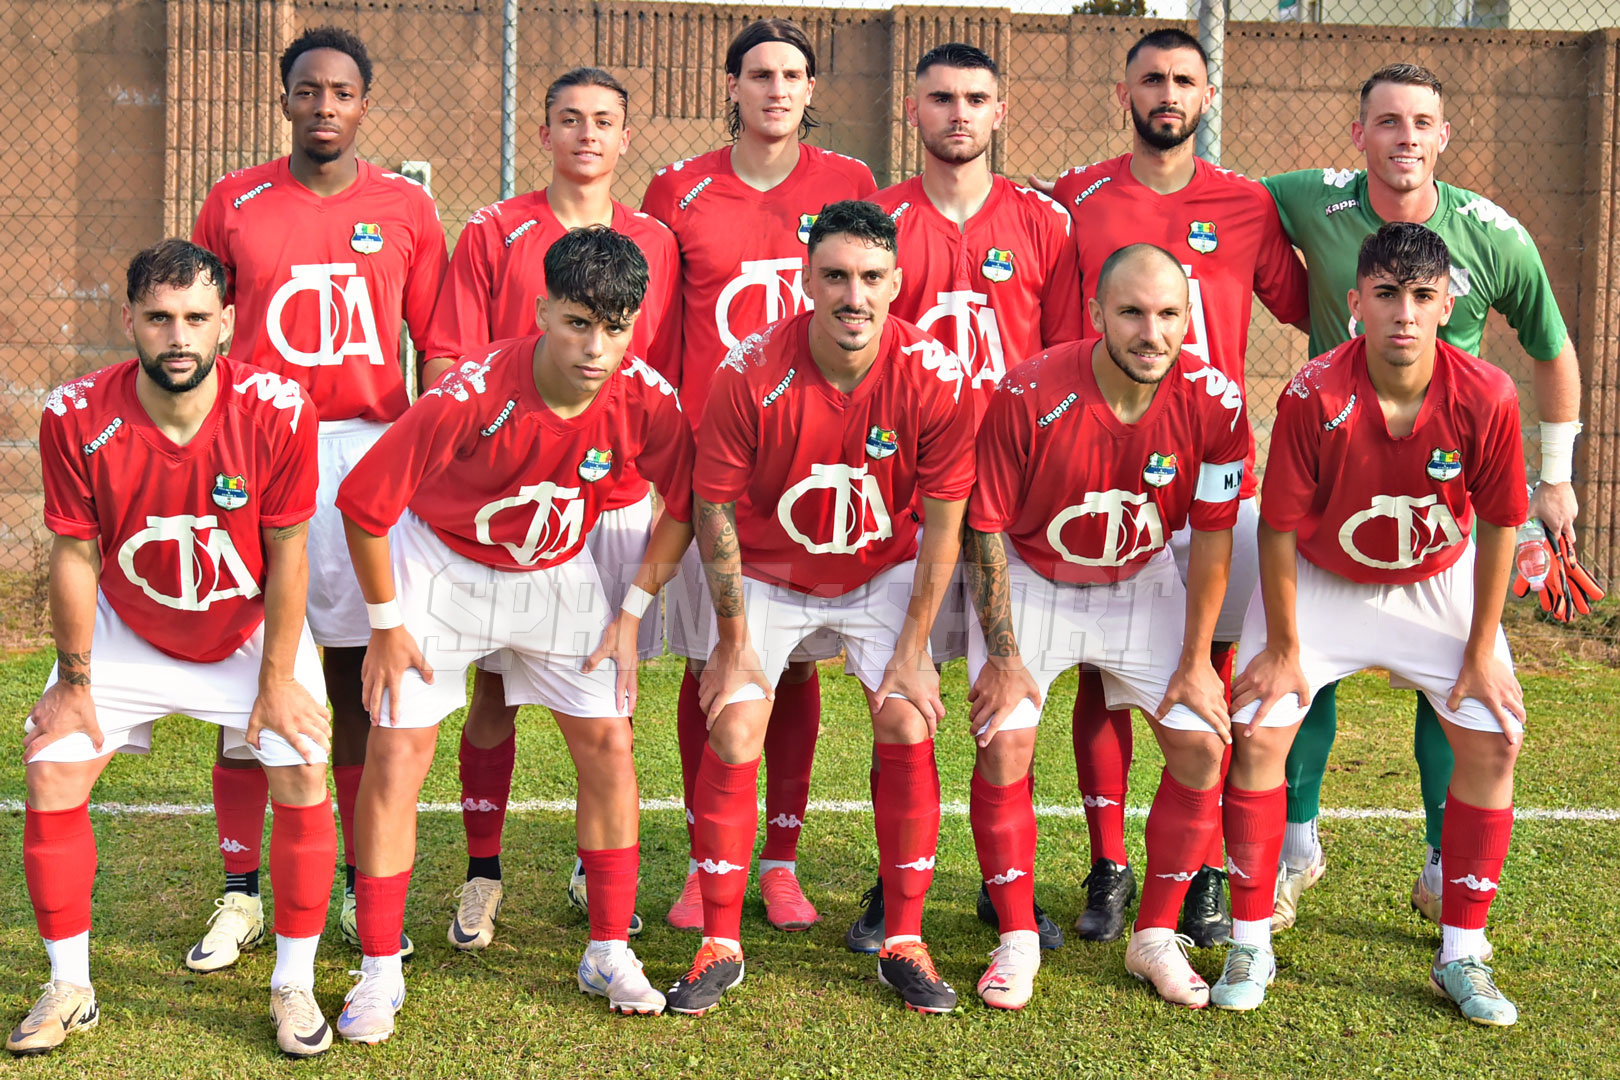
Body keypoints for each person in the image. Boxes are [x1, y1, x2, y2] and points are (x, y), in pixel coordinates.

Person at [331, 227, 694, 1042]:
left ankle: (607, 950)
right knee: (398, 752)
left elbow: (688, 498)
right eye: (577, 324)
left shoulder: (644, 395)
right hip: (443, 561)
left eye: (614, 328)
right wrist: (385, 626)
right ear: (541, 312)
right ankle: (379, 971)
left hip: (555, 569)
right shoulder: (470, 392)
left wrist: (633, 610)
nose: (595, 348)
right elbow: (364, 504)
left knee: (609, 745)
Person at [1259, 63, 1580, 933]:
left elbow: (1552, 347)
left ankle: (1444, 858)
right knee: (1302, 676)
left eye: (1422, 123)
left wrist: (1555, 476)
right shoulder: (1309, 200)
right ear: (1357, 134)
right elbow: (1220, 204)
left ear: (1444, 136)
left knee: (1455, 686)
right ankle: (1295, 846)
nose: (1405, 137)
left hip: (1440, 502)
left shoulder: (1492, 234)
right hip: (1334, 480)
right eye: (1388, 121)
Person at [14, 240, 335, 1057]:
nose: (179, 336)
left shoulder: (279, 409)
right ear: (130, 320)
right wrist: (74, 683)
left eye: (196, 317)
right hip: (129, 622)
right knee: (52, 766)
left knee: (302, 766)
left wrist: (278, 681)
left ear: (227, 321)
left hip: (247, 623)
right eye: (159, 318)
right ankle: (69, 987)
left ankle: (293, 983)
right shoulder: (74, 412)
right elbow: (75, 554)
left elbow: (289, 552)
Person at [1035, 27, 1309, 949]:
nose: (1167, 93)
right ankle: (1109, 864)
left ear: (1207, 95)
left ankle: (1199, 872)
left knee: (1208, 671)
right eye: (1151, 78)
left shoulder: (1247, 203)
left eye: (1184, 79)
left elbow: (1309, 304)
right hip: (1104, 472)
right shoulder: (1076, 197)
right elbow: (1049, 324)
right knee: (1102, 673)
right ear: (1125, 93)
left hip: (1210, 473)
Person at [1213, 222, 1526, 1028]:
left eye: (1422, 296)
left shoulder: (1488, 393)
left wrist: (1483, 649)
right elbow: (1277, 527)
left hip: (1436, 578)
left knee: (1494, 735)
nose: (1404, 313)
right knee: (1257, 729)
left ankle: (1462, 952)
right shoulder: (1313, 393)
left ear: (1448, 304)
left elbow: (1499, 525)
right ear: (1356, 303)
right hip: (1323, 577)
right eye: (1387, 294)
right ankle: (1249, 941)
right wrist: (1285, 648)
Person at [665, 200, 973, 1016]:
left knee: (906, 717)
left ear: (897, 282)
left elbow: (946, 524)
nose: (854, 296)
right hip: (767, 570)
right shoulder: (749, 369)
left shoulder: (937, 374)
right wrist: (733, 640)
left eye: (871, 277)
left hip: (881, 570)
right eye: (835, 276)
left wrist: (914, 649)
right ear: (806, 280)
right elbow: (713, 508)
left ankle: (905, 939)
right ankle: (720, 943)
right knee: (735, 724)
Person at [189, 24, 448, 965]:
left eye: (341, 92)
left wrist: (428, 460)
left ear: (363, 104)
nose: (324, 106)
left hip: (368, 451)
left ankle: (350, 881)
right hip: (257, 443)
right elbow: (203, 330)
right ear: (286, 99)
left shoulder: (407, 207)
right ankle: (240, 891)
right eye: (308, 90)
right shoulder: (234, 200)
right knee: (249, 662)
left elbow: (440, 345)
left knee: (354, 670)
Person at [419, 65, 680, 951]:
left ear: (625, 137)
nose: (587, 134)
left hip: (615, 495)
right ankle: (482, 872)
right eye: (569, 118)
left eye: (604, 120)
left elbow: (663, 365)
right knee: (495, 688)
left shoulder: (655, 239)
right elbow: (448, 359)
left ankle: (593, 870)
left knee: (611, 692)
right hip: (518, 494)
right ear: (543, 133)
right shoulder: (496, 229)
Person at [640, 18, 878, 933]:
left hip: (814, 459)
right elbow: (663, 329)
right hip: (719, 461)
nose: (776, 89)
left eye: (792, 75)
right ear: (732, 86)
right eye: (759, 74)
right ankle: (707, 862)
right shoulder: (679, 189)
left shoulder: (850, 182)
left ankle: (779, 860)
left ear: (811, 90)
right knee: (712, 662)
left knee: (799, 666)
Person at [964, 243, 1240, 1010]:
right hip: (1033, 577)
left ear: (1188, 317)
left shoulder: (1215, 401)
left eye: (1169, 314)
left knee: (1201, 743)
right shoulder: (1028, 390)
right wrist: (1004, 656)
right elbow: (984, 527)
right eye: (1132, 313)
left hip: (1141, 579)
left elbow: (1213, 535)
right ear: (1096, 314)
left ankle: (1155, 937)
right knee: (1004, 737)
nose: (1152, 333)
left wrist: (1197, 660)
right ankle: (1017, 938)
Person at [853, 39, 1082, 955]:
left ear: (999, 110)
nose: (958, 112)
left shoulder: (1045, 221)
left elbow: (1066, 361)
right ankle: (894, 881)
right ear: (913, 109)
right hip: (906, 491)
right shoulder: (879, 220)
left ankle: (1001, 883)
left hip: (1010, 500)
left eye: (975, 98)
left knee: (1002, 704)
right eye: (941, 97)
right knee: (902, 701)